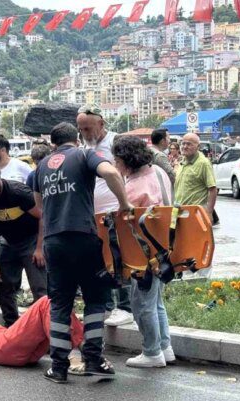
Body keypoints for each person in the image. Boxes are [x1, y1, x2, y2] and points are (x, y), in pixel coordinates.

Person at [33, 122, 132, 383]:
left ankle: (58, 366)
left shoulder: (41, 166)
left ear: (53, 143)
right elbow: (110, 172)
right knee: (95, 299)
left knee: (61, 304)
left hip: (54, 243)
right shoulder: (85, 154)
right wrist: (124, 204)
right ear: (76, 139)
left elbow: (39, 209)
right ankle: (93, 359)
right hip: (84, 238)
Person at [111, 135, 175, 368]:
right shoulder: (158, 172)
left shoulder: (135, 186)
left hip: (143, 253)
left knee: (141, 304)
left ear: (126, 160)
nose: (115, 165)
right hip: (163, 249)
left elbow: (123, 219)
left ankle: (151, 352)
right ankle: (164, 347)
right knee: (156, 302)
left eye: (117, 160)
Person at [76, 105, 132, 328]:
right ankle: (107, 305)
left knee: (120, 258)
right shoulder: (83, 147)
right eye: (81, 129)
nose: (85, 133)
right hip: (93, 214)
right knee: (101, 260)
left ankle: (125, 306)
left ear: (101, 124)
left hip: (116, 212)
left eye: (88, 128)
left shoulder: (116, 142)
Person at [0, 163, 47, 327]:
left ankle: (44, 328)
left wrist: (40, 248)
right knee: (2, 282)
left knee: (39, 287)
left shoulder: (18, 192)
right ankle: (12, 325)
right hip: (8, 242)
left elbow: (43, 217)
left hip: (32, 239)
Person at [0, 296, 83, 366]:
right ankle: (84, 349)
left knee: (55, 303)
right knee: (46, 302)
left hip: (11, 347)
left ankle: (77, 351)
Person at [174, 133, 217, 219]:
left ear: (198, 146)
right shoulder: (183, 161)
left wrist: (209, 212)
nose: (185, 146)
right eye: (183, 143)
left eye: (189, 144)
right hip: (179, 212)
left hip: (195, 213)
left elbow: (213, 189)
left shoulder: (203, 163)